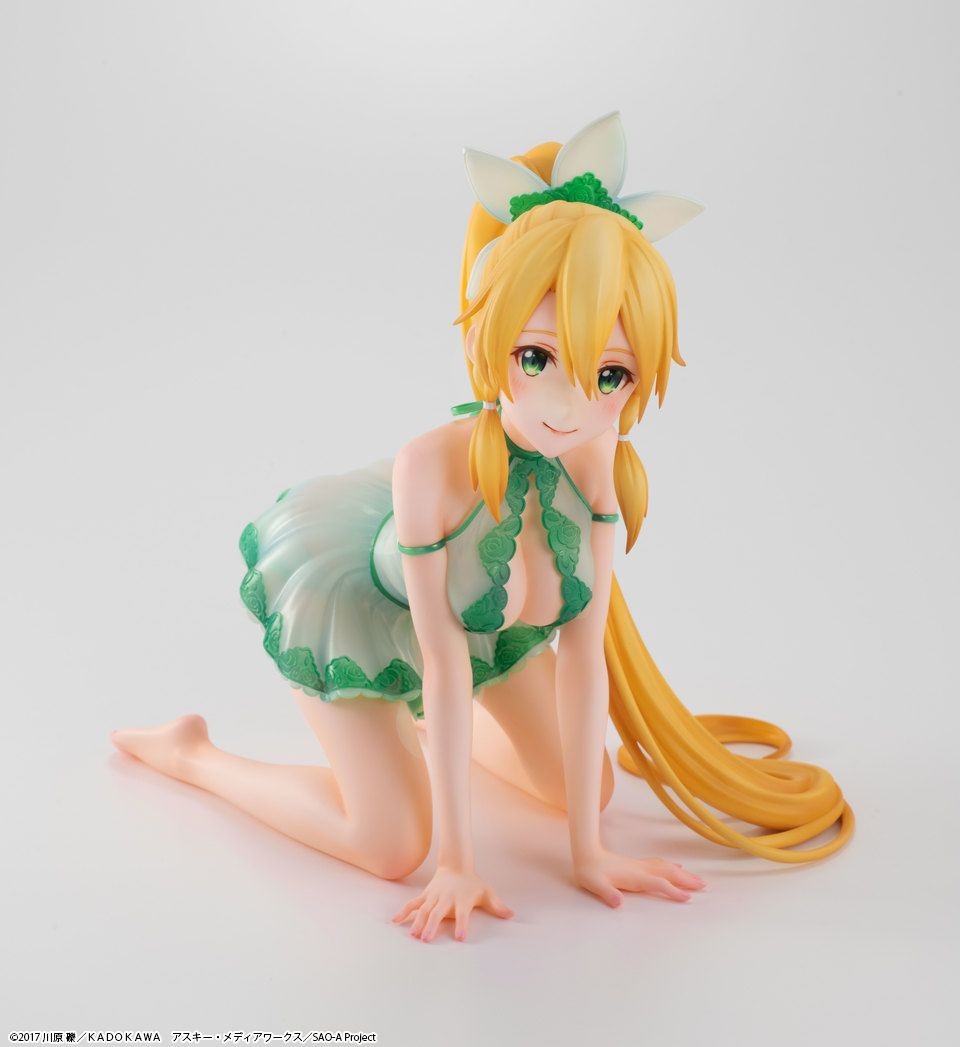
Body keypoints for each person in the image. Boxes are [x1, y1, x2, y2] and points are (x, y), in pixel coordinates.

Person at [110, 111, 854, 944]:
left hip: (483, 630)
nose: (569, 407)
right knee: (392, 845)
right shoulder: (428, 469)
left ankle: (425, 742)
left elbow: (584, 656)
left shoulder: (595, 460)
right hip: (360, 604)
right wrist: (457, 861)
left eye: (610, 375)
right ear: (493, 339)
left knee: (591, 787)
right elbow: (442, 664)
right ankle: (191, 754)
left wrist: (589, 851)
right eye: (536, 359)